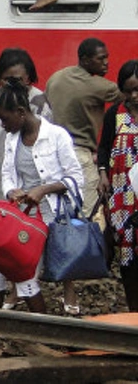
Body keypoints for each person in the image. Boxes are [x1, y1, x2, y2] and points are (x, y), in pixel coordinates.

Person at [0, 80, 83, 358]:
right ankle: (10, 341)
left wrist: (42, 189)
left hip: (50, 218)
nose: (2, 125)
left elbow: (75, 178)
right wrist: (12, 189)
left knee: (20, 272)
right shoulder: (13, 139)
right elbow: (7, 175)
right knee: (1, 272)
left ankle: (37, 340)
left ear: (22, 112)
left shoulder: (57, 136)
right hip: (23, 219)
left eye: (5, 119)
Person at [46, 38, 121, 222]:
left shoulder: (56, 77)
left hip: (53, 152)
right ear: (85, 59)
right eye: (101, 58)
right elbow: (128, 94)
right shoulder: (98, 86)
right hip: (80, 154)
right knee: (90, 212)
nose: (106, 63)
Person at [0, 48, 52, 201]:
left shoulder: (38, 101)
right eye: (7, 79)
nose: (12, 84)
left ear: (28, 77)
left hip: (26, 187)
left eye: (17, 79)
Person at [97, 60, 138, 312]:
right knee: (126, 253)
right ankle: (133, 310)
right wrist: (103, 173)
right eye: (128, 90)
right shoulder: (115, 113)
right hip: (122, 195)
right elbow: (104, 147)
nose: (133, 96)